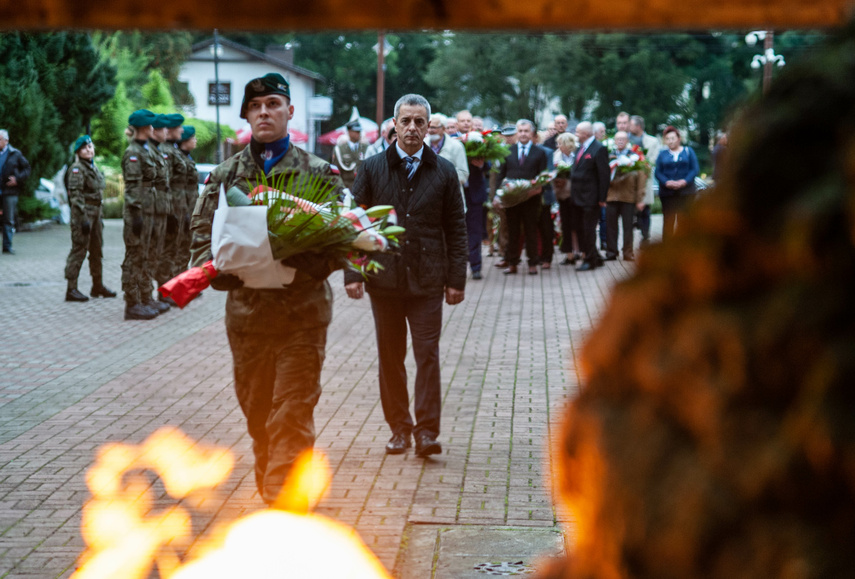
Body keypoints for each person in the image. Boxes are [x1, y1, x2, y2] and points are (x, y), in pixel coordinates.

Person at [190, 73, 345, 504]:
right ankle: (274, 487)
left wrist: (303, 260)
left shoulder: (319, 173)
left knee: (292, 414)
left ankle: (285, 507)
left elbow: (342, 242)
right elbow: (199, 245)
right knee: (260, 418)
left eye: (273, 104)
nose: (264, 113)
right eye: (256, 107)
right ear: (246, 116)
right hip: (249, 319)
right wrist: (224, 270)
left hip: (302, 317)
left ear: (289, 112)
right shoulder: (225, 177)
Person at [343, 93, 467, 458]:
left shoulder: (443, 171)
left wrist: (456, 280)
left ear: (428, 127)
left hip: (428, 279)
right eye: (406, 121)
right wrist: (353, 273)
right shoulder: (371, 168)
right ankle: (399, 428)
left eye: (419, 122)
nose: (412, 128)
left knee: (427, 355)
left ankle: (426, 432)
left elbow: (456, 229)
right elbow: (353, 223)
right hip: (385, 278)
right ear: (394, 126)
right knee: (390, 357)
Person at [63, 135, 116, 302]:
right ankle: (71, 288)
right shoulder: (77, 169)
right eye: (85, 148)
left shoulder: (93, 168)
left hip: (97, 214)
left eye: (90, 146)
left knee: (97, 250)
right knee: (79, 250)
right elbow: (76, 196)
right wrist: (83, 218)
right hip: (84, 214)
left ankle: (97, 285)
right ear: (78, 151)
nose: (89, 150)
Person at [121, 109, 160, 320]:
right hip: (138, 212)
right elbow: (133, 186)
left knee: (144, 256)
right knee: (134, 257)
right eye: (151, 125)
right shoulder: (133, 153)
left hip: (147, 210)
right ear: (144, 128)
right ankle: (132, 303)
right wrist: (136, 214)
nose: (154, 128)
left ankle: (143, 298)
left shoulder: (145, 150)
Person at [497, 119, 548, 275]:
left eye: (526, 131)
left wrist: (538, 189)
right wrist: (498, 196)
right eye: (520, 131)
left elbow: (544, 176)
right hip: (511, 200)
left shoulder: (539, 152)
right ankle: (512, 263)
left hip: (531, 199)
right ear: (516, 133)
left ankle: (532, 263)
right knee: (512, 231)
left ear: (532, 133)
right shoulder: (508, 151)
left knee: (531, 230)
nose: (523, 134)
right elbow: (501, 175)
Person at [570, 121, 610, 271]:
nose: (576, 134)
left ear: (586, 133)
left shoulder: (599, 148)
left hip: (590, 198)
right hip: (577, 197)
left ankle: (590, 260)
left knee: (588, 230)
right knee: (580, 228)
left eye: (578, 132)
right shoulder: (580, 148)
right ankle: (596, 257)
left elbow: (604, 175)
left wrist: (602, 198)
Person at [605, 131, 646, 261]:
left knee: (628, 227)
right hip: (611, 196)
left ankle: (628, 252)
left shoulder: (635, 157)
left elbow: (641, 179)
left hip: (628, 197)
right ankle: (611, 252)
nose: (620, 141)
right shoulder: (608, 156)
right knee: (611, 227)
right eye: (618, 139)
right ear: (614, 141)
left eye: (623, 139)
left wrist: (640, 198)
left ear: (627, 141)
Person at [159, 113, 187, 292]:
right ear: (170, 130)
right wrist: (170, 212)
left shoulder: (172, 150)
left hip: (178, 206)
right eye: (179, 128)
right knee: (168, 250)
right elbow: (166, 183)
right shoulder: (166, 152)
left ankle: (173, 287)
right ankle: (166, 290)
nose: (182, 131)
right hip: (171, 208)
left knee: (175, 248)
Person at [146, 115, 171, 315]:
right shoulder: (142, 152)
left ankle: (152, 296)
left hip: (161, 210)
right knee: (145, 256)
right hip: (149, 212)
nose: (167, 132)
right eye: (164, 129)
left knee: (157, 254)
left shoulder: (157, 152)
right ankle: (141, 298)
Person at [655, 126, 699, 240]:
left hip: (686, 193)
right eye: (668, 139)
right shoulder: (662, 154)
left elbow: (694, 169)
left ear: (679, 139)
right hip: (667, 194)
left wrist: (684, 181)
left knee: (684, 221)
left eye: (673, 138)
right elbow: (658, 172)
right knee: (668, 221)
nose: (670, 141)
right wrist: (666, 182)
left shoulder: (688, 151)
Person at [628, 115, 661, 247]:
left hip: (645, 179)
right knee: (630, 211)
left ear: (638, 126)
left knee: (645, 209)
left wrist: (641, 164)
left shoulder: (652, 141)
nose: (629, 127)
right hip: (629, 181)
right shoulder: (627, 140)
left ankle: (645, 236)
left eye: (631, 125)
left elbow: (653, 160)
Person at [0, 129, 31, 255]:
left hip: (9, 191)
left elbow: (27, 169)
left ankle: (7, 246)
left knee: (8, 219)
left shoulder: (15, 154)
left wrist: (17, 179)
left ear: (6, 141)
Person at [553, 132, 580, 265]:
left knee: (577, 225)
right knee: (566, 225)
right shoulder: (556, 156)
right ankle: (569, 254)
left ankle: (579, 251)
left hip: (578, 195)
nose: (558, 146)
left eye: (560, 143)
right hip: (563, 195)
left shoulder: (578, 155)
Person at [176, 126, 198, 275]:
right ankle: (178, 278)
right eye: (193, 138)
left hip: (190, 206)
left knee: (186, 246)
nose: (195, 140)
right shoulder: (179, 158)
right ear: (185, 141)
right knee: (181, 246)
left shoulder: (187, 157)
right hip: (182, 207)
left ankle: (183, 277)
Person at [332, 119, 368, 190]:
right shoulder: (340, 149)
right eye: (356, 131)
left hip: (362, 188)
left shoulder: (365, 148)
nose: (359, 133)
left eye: (359, 131)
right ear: (349, 132)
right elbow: (336, 171)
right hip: (346, 187)